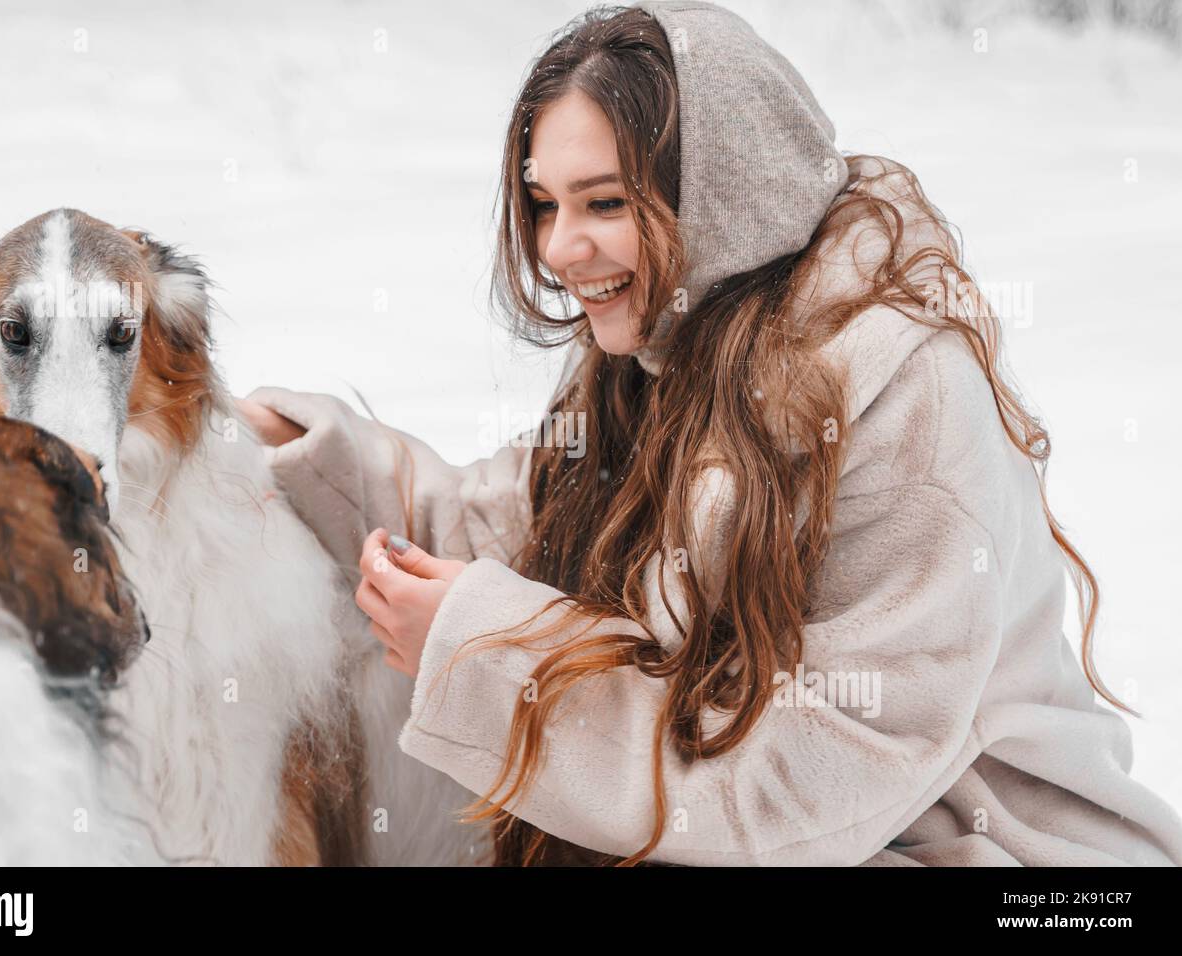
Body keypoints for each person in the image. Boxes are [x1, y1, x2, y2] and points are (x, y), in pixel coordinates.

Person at [235, 1, 1182, 866]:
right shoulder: (659, 350)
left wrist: (496, 668)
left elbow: (814, 783)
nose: (561, 247)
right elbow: (515, 533)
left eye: (604, 202)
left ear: (722, 197)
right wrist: (310, 457)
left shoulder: (906, 398)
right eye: (544, 202)